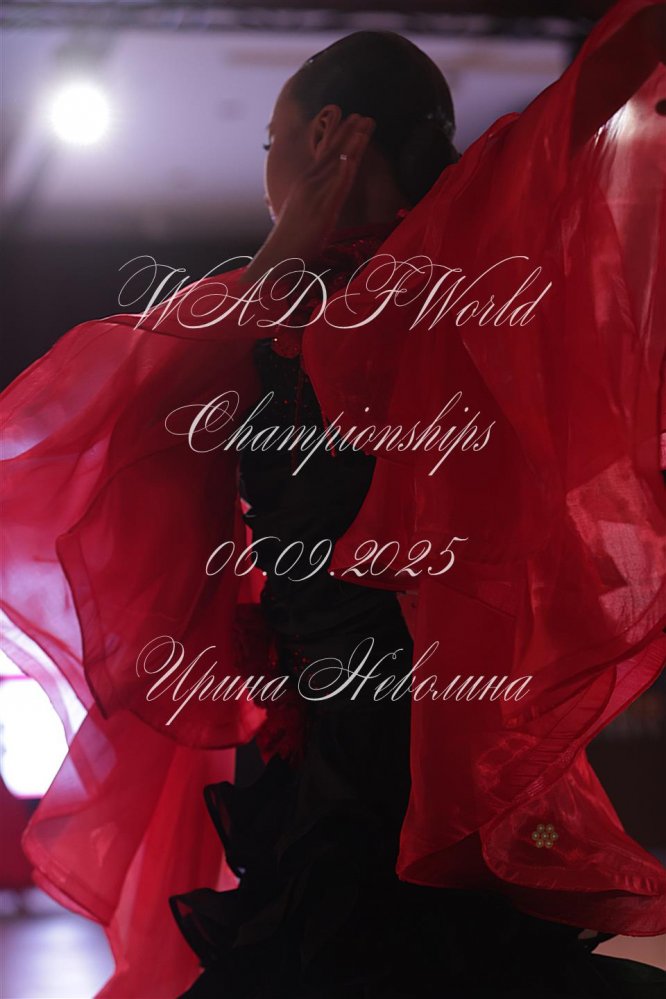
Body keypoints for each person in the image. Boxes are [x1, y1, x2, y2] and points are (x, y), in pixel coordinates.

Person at [1, 2, 665, 997]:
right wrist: (282, 261)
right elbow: (99, 418)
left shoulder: (453, 258)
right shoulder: (270, 302)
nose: (268, 165)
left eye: (273, 140)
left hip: (409, 745)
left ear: (323, 134)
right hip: (321, 745)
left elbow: (582, 107)